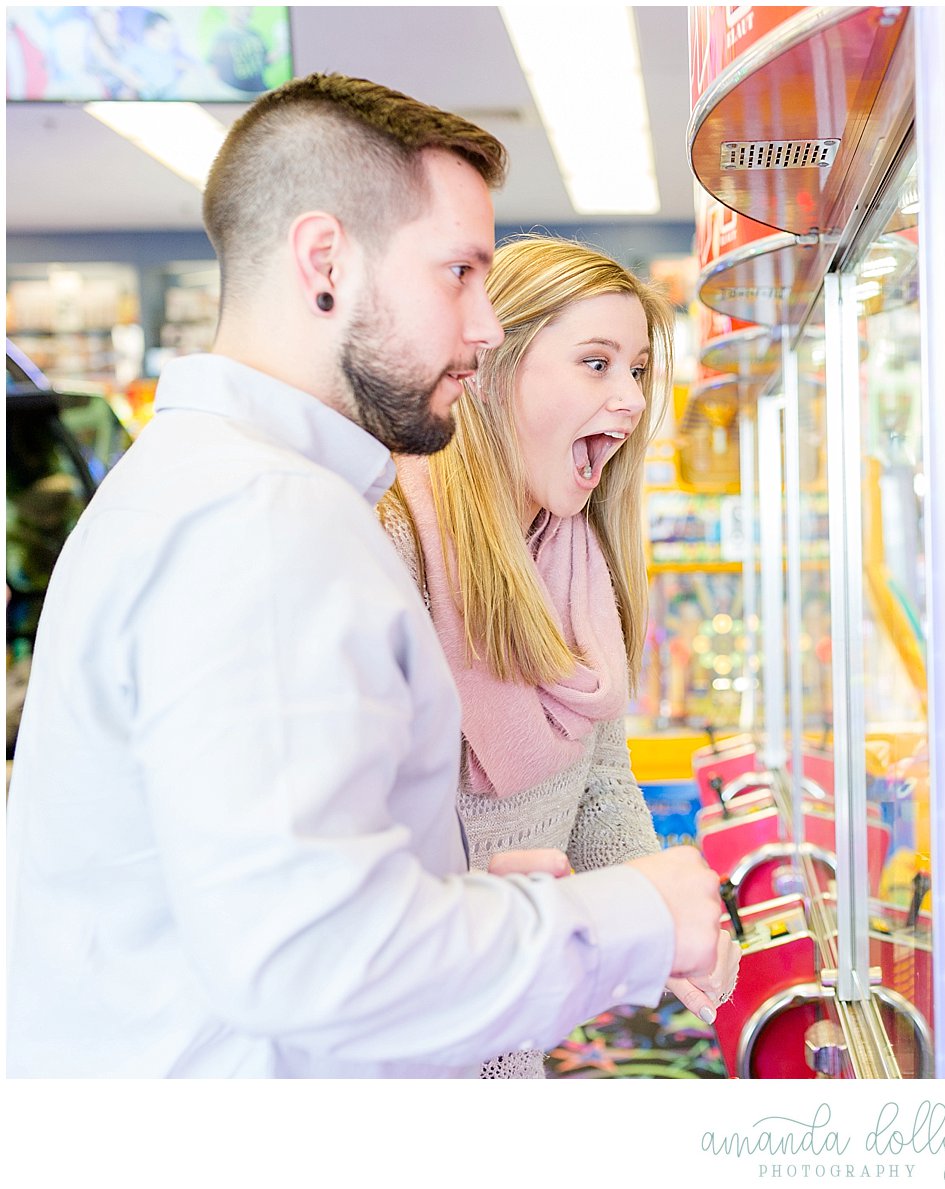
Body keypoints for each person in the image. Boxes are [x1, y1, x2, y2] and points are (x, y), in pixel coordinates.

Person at [6, 73, 725, 1078]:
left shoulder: (231, 488)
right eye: (458, 274)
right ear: (325, 263)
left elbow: (272, 882)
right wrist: (627, 919)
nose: (483, 328)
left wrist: (468, 894)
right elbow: (309, 956)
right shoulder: (260, 521)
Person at [376, 235, 740, 1077]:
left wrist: (670, 921)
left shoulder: (573, 556)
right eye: (596, 363)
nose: (630, 399)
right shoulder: (387, 545)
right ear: (496, 369)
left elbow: (598, 773)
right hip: (405, 1043)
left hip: (511, 1033)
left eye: (640, 371)